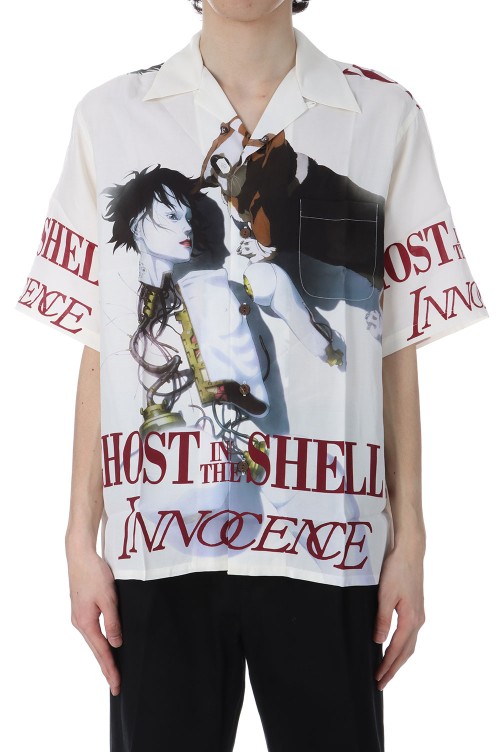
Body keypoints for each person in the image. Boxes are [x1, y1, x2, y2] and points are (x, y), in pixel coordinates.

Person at [13, 1, 489, 750]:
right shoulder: (109, 116)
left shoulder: (381, 115)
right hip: (160, 541)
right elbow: (98, 341)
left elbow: (394, 343)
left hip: (329, 543)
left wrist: (412, 539)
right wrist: (79, 536)